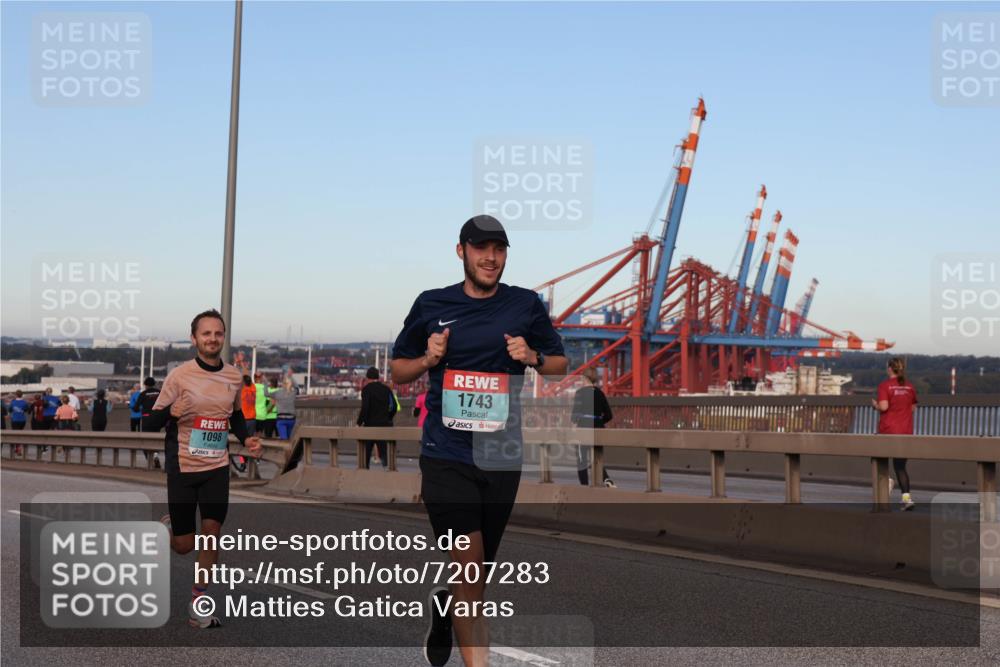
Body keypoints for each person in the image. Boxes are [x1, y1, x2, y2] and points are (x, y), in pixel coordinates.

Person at [391, 215, 567, 666]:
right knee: (470, 565)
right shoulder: (431, 303)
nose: (490, 258)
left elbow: (560, 365)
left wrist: (533, 356)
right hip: (445, 454)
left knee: (476, 577)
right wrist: (428, 357)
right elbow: (398, 371)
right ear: (461, 251)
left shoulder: (525, 305)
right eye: (481, 248)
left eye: (499, 249)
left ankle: (448, 606)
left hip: (500, 455)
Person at [143, 309, 262, 629]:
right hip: (183, 466)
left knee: (212, 535)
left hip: (216, 466)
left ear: (223, 337)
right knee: (185, 545)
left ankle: (199, 603)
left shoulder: (233, 376)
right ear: (194, 338)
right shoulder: (180, 376)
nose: (213, 339)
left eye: (218, 333)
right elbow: (149, 422)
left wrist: (247, 438)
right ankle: (169, 529)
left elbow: (234, 415)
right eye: (206, 333)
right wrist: (171, 411)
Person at [873, 356, 918, 511]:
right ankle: (907, 499)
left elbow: (884, 407)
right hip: (905, 432)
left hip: (888, 431)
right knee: (900, 467)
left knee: (877, 460)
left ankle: (888, 481)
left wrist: (876, 406)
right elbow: (912, 408)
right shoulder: (910, 387)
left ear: (890, 368)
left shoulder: (885, 386)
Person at [571, 367, 616, 488]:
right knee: (596, 458)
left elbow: (574, 416)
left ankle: (584, 487)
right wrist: (599, 421)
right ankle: (607, 480)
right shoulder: (600, 393)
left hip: (583, 428)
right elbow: (609, 415)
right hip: (598, 428)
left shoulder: (579, 393)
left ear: (584, 378)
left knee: (582, 460)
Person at [357, 367, 397, 469]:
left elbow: (365, 407)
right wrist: (388, 418)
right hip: (383, 425)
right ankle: (387, 472)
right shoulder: (386, 389)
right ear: (378, 377)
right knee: (384, 452)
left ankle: (365, 472)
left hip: (369, 426)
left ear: (367, 377)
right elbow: (394, 407)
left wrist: (359, 422)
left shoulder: (366, 390)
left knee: (366, 452)